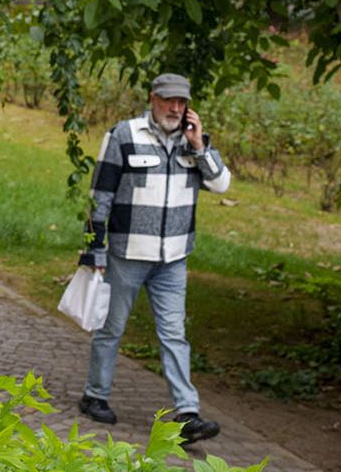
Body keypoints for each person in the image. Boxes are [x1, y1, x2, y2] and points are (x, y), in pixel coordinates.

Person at [78, 73, 232, 443]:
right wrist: (93, 249)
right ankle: (94, 396)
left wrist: (199, 146)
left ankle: (187, 413)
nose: (175, 109)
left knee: (174, 335)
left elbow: (221, 184)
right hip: (127, 254)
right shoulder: (124, 135)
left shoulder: (195, 142)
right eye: (168, 101)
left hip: (173, 259)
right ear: (152, 99)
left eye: (181, 102)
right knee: (111, 329)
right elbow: (99, 197)